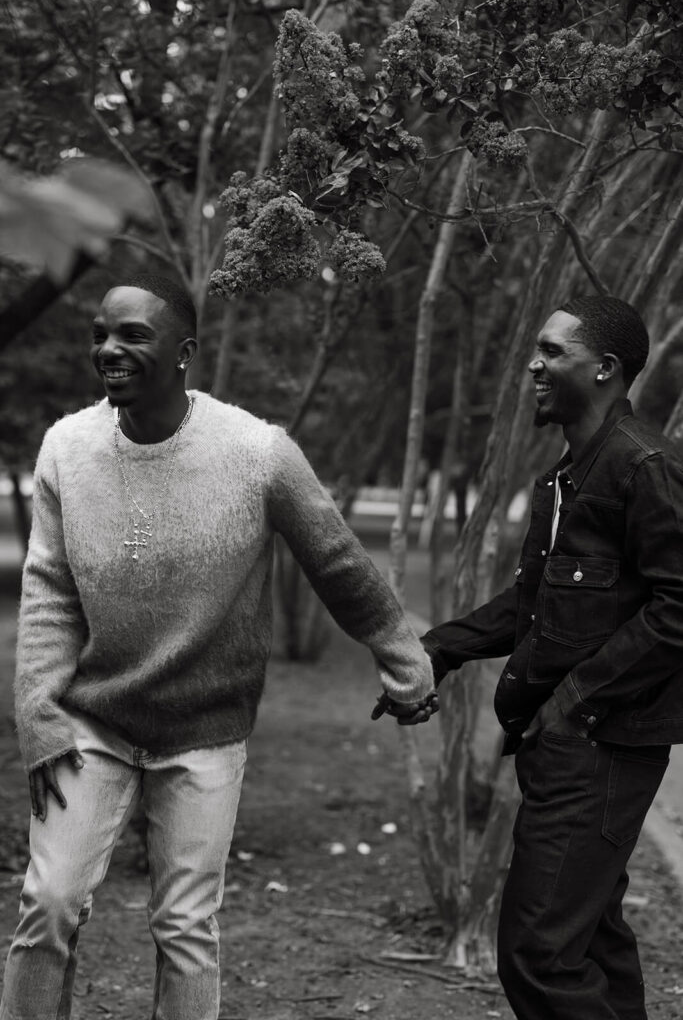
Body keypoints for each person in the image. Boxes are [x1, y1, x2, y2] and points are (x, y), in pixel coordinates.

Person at [0, 273, 438, 1020]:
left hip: (205, 730)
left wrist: (402, 655)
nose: (109, 348)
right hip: (90, 724)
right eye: (100, 334)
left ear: (184, 353)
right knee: (49, 902)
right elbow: (49, 590)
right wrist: (38, 711)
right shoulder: (66, 449)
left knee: (184, 927)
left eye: (132, 335)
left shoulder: (255, 453)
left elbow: (337, 561)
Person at [419, 295, 683, 1020]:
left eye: (551, 351)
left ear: (603, 369)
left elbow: (677, 609)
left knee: (539, 954)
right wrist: (438, 649)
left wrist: (571, 703)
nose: (532, 365)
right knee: (590, 942)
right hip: (567, 747)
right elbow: (532, 607)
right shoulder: (568, 478)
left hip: (600, 748)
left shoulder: (644, 467)